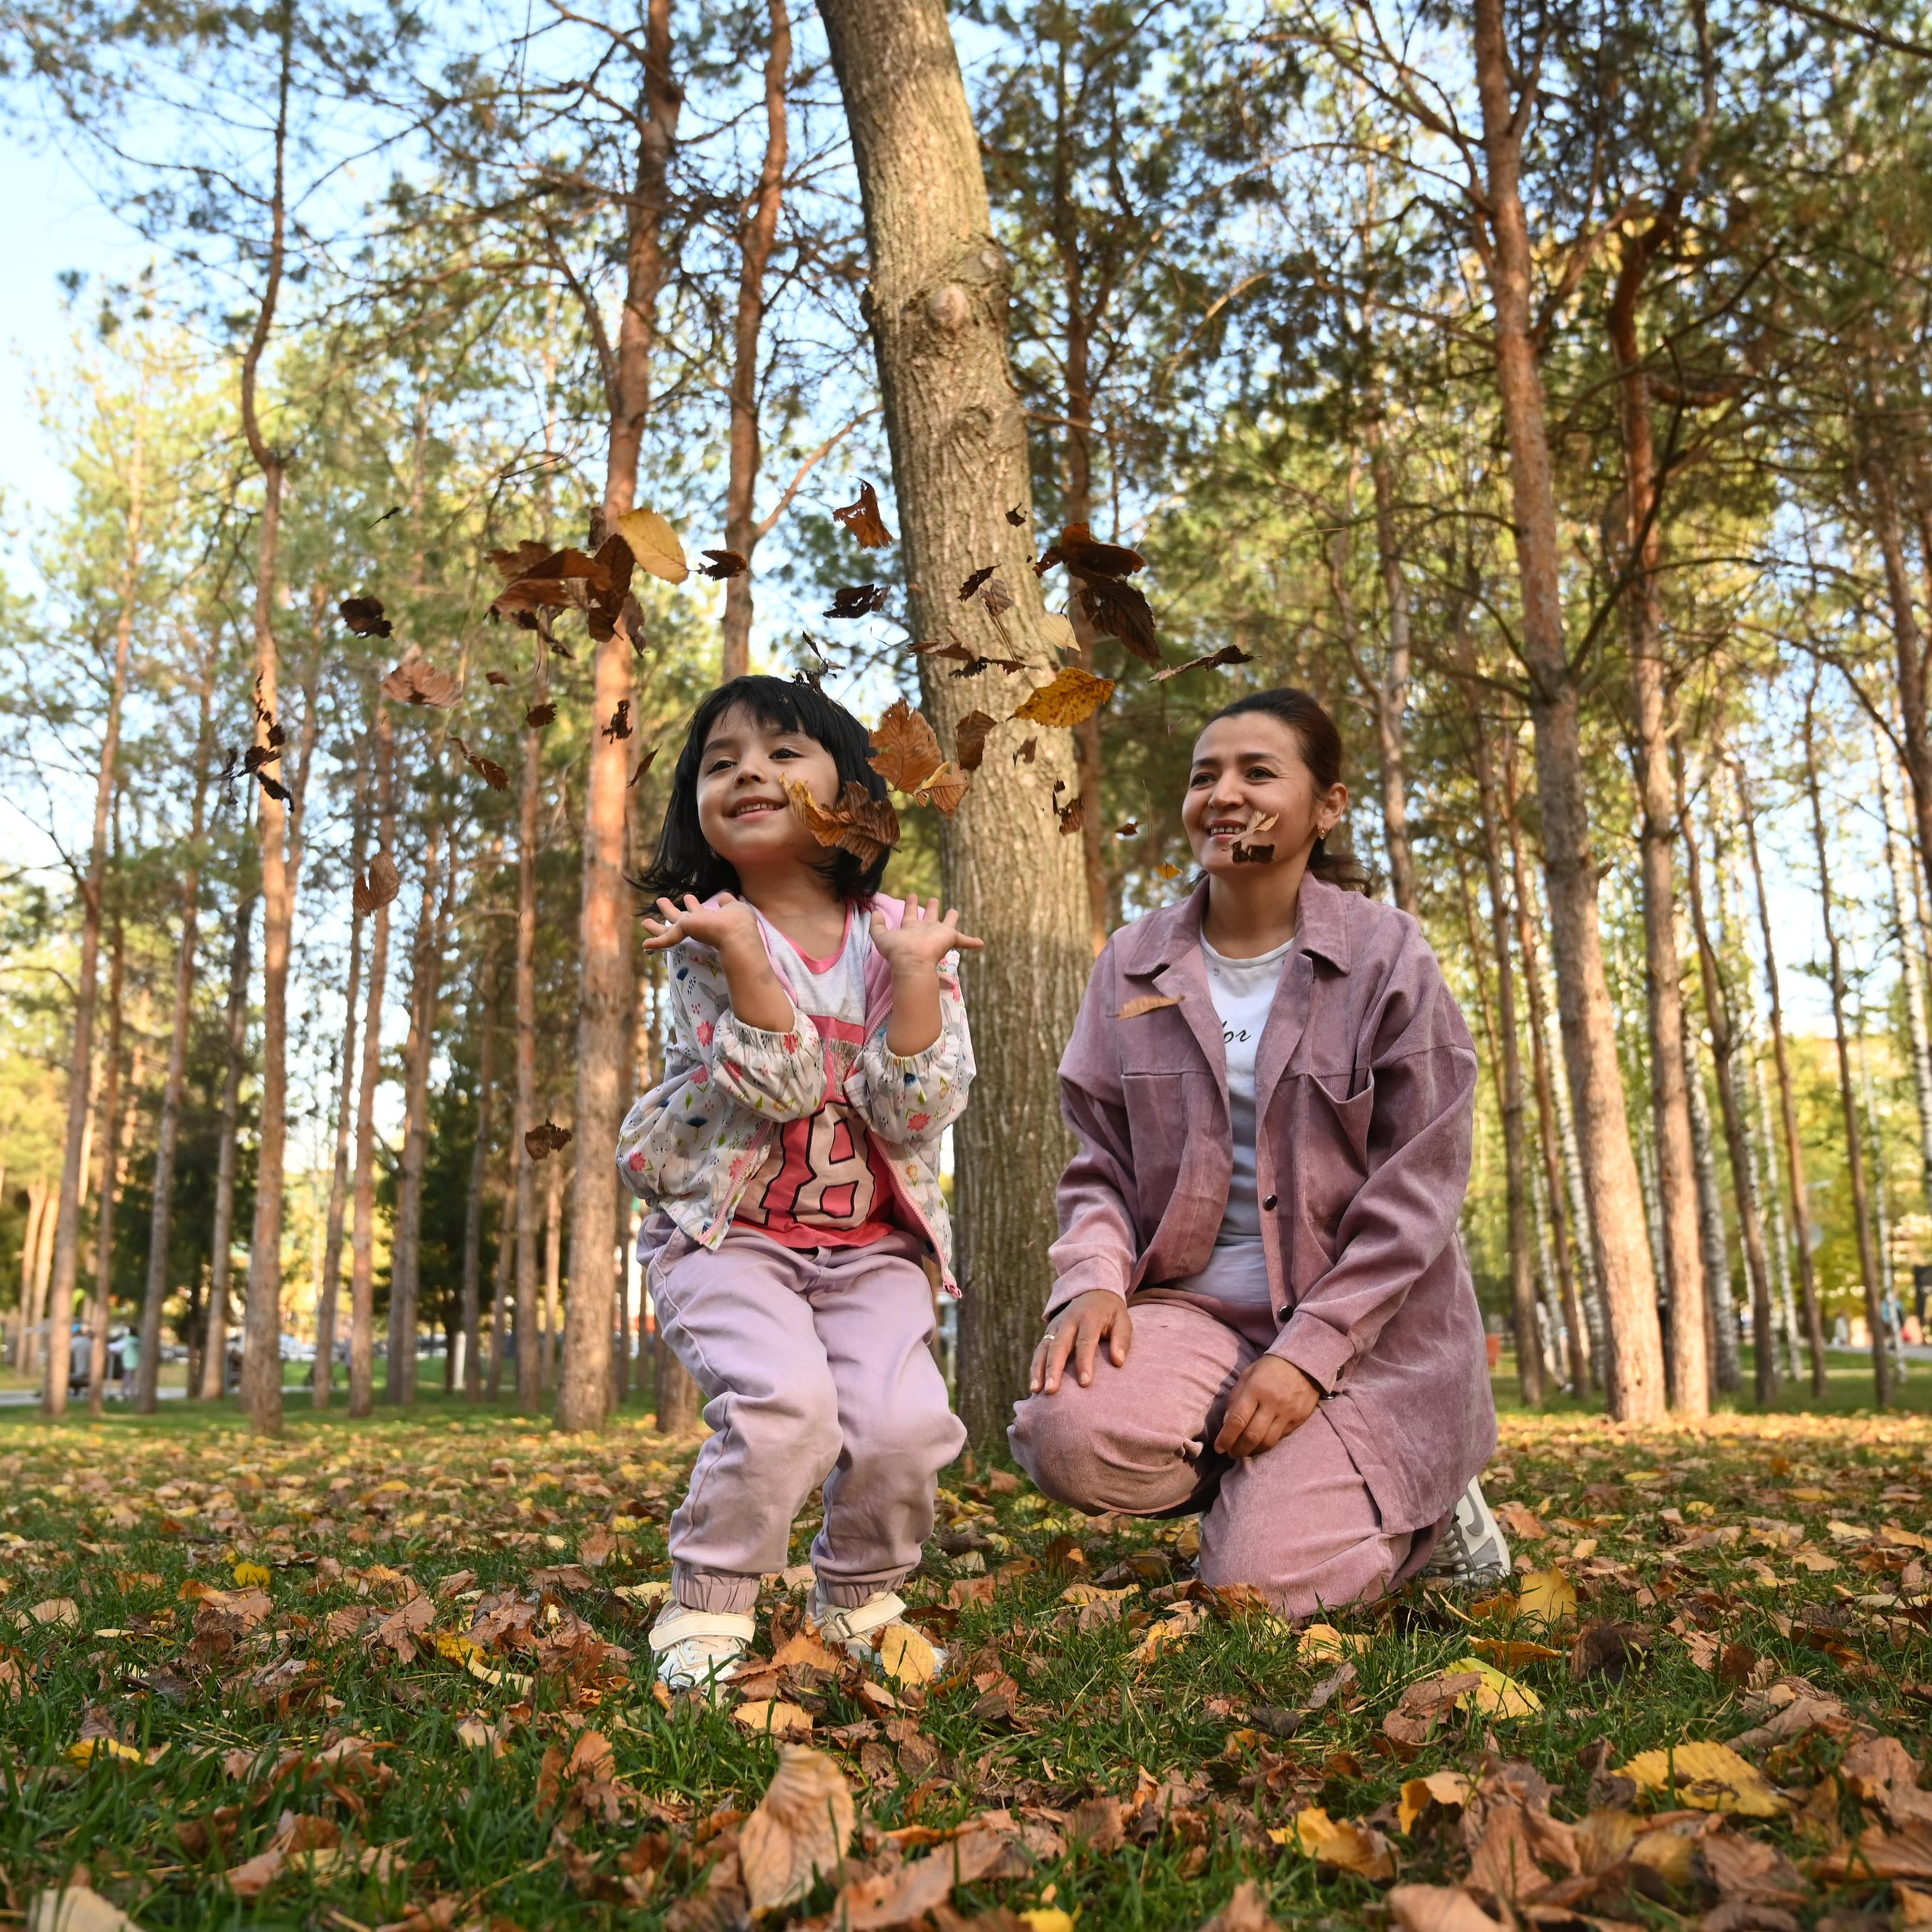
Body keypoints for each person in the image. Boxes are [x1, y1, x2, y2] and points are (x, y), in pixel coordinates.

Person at [1009, 687, 1505, 1614]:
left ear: (1327, 806)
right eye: (1205, 777)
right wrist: (1093, 1280)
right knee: (1063, 1431)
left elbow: (1420, 1192)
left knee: (1255, 1585)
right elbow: (1100, 1163)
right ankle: (1272, 1485)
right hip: (1198, 1314)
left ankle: (1419, 1503)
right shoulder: (1130, 961)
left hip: (1367, 1335)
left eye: (1257, 772)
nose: (1223, 794)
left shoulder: (1389, 957)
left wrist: (1308, 1354)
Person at [618, 675, 977, 1697]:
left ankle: (861, 1599)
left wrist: (913, 978)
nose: (748, 775)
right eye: (719, 763)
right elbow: (777, 1089)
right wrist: (737, 952)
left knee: (904, 1426)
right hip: (731, 1238)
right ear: (699, 807)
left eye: (783, 753)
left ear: (849, 790)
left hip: (872, 1249)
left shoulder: (905, 933)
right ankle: (709, 1603)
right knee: (786, 1409)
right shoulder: (706, 938)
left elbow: (914, 1112)